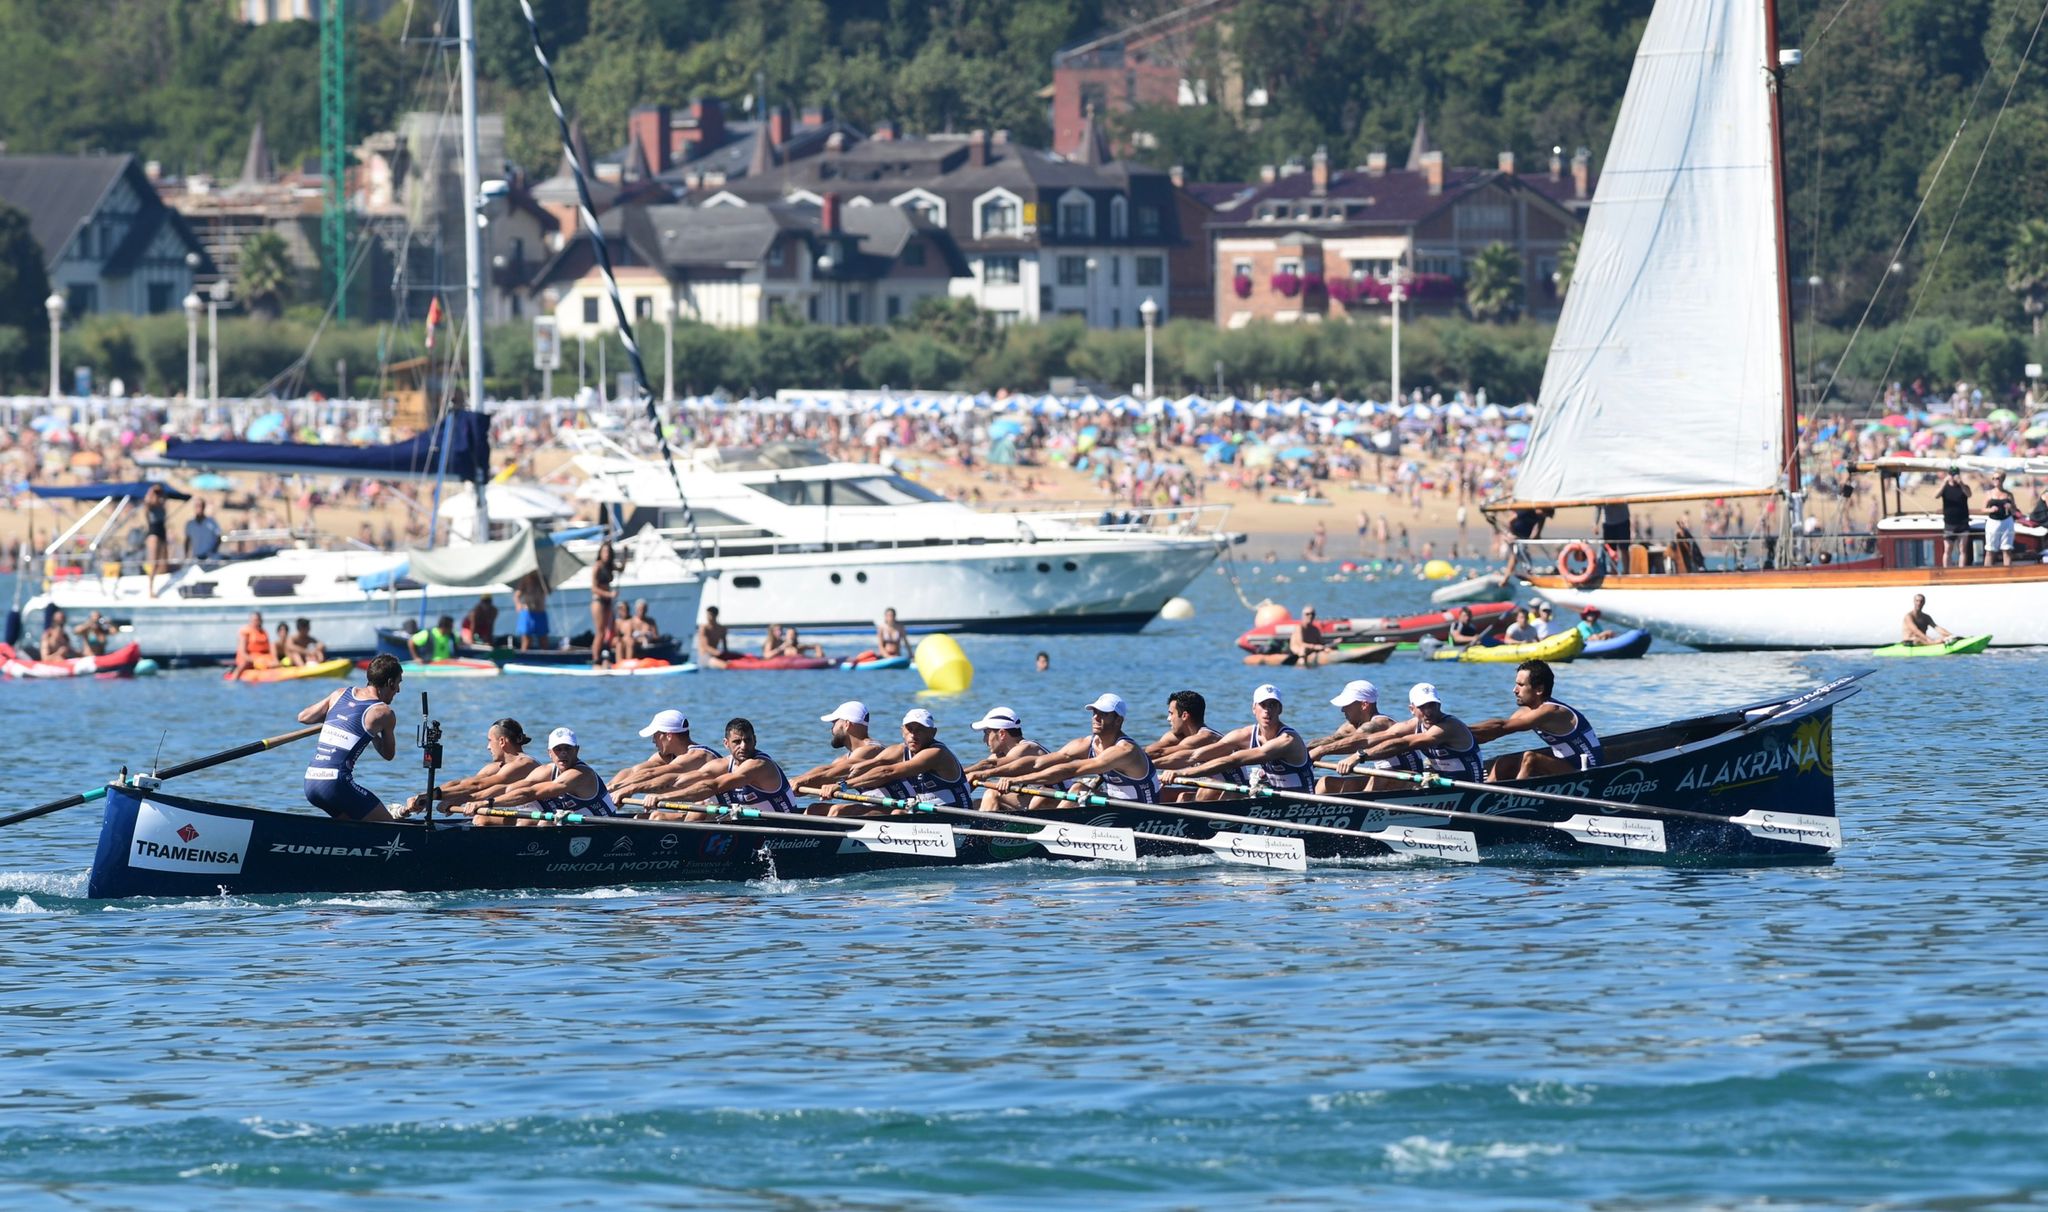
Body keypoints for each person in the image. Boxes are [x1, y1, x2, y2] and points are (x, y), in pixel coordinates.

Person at [980, 693, 1161, 804]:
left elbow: (1073, 769)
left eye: (1103, 714)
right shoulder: (1086, 743)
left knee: (1077, 789)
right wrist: (987, 773)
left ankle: (1058, 836)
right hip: (1114, 806)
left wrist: (1018, 780)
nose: (1096, 718)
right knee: (1045, 797)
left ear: (1119, 720)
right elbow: (1038, 762)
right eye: (1094, 712)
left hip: (1142, 813)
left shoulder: (1125, 750)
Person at [297, 654, 403, 821]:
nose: (398, 690)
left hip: (311, 781)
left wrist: (336, 716)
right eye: (398, 683)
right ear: (390, 683)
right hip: (335, 783)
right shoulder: (383, 713)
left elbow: (303, 717)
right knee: (389, 827)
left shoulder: (339, 694)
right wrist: (374, 735)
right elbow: (388, 755)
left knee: (353, 828)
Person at [1468, 659, 1606, 781]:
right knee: (1504, 762)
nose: (1514, 690)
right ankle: (1486, 795)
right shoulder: (1528, 712)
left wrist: (1462, 732)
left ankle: (1515, 796)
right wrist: (1457, 739)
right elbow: (1495, 732)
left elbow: (1502, 726)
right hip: (1563, 766)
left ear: (1539, 689)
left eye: (1521, 685)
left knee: (1530, 757)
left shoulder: (1551, 711)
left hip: (1589, 770)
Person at [643, 718, 800, 818]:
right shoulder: (723, 764)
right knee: (701, 805)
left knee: (708, 798)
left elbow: (714, 786)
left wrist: (664, 798)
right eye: (737, 742)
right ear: (726, 743)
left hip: (785, 830)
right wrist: (637, 790)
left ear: (755, 740)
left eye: (748, 740)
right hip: (754, 827)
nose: (743, 746)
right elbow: (679, 779)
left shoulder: (758, 765)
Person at [829, 708, 974, 816]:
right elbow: (876, 763)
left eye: (920, 730)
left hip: (957, 818)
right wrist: (854, 771)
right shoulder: (899, 750)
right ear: (902, 731)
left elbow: (888, 771)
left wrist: (843, 785)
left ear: (933, 732)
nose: (913, 735)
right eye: (909, 729)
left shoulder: (936, 753)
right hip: (926, 817)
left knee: (897, 814)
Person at [1175, 684, 1316, 794]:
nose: (1267, 710)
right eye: (1263, 705)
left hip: (1303, 805)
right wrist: (1155, 765)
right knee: (1229, 793)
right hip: (1276, 801)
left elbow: (1234, 760)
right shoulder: (1244, 735)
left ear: (1280, 709)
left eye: (1273, 705)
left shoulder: (1287, 740)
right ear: (1254, 708)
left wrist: (1183, 773)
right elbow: (1195, 755)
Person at [470, 727, 621, 822]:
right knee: (482, 818)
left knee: (537, 822)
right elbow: (509, 789)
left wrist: (488, 803)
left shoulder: (580, 774)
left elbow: (531, 793)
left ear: (577, 750)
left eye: (568, 748)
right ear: (549, 753)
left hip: (604, 831)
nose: (563, 753)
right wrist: (467, 799)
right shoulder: (546, 771)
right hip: (575, 826)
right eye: (558, 749)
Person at [407, 718, 539, 816]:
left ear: (502, 741)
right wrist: (425, 797)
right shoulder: (496, 767)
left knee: (481, 819)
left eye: (489, 741)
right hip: (519, 814)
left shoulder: (524, 763)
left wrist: (432, 796)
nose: (488, 747)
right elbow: (463, 783)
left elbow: (478, 786)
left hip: (539, 817)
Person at [1355, 683, 1485, 782]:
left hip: (1470, 789)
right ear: (1412, 709)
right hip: (1442, 787)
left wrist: (1360, 757)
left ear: (1439, 705)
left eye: (1432, 705)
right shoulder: (1413, 724)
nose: (1428, 712)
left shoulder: (1448, 726)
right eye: (1422, 707)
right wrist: (1337, 750)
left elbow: (1404, 743)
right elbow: (1374, 738)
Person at [1312, 679, 1422, 794]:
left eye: (1347, 705)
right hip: (1386, 777)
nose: (1342, 709)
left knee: (1377, 778)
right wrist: (1304, 751)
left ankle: (1356, 809)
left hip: (1410, 779)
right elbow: (1333, 740)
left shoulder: (1380, 723)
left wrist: (1321, 751)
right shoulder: (1353, 725)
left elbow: (1355, 742)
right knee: (1325, 783)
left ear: (1364, 705)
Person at [608, 709, 721, 800]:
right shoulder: (667, 755)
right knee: (641, 817)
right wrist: (609, 788)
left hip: (722, 808)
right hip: (694, 806)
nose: (653, 740)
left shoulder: (697, 756)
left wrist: (627, 789)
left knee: (657, 817)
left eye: (655, 735)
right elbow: (634, 771)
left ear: (669, 736)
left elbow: (650, 774)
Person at [791, 701, 886, 791]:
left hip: (891, 806)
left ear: (846, 724)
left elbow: (834, 773)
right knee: (816, 808)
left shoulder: (873, 750)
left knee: (836, 809)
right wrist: (796, 782)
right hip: (871, 806)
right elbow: (826, 770)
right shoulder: (844, 759)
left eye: (834, 723)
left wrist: (805, 781)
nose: (831, 729)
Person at [589, 539, 620, 665]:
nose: (606, 554)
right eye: (604, 552)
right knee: (600, 631)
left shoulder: (610, 566)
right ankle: (595, 658)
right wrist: (609, 594)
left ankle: (608, 654)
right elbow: (594, 588)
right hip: (599, 601)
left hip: (608, 602)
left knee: (611, 629)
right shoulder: (597, 566)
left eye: (608, 552)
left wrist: (624, 553)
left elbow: (621, 568)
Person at [1938, 467, 1972, 567]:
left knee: (1962, 549)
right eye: (1951, 474)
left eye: (1955, 474)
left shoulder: (1964, 487)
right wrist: (1944, 483)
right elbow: (1936, 495)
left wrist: (1961, 483)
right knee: (1948, 549)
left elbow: (1969, 494)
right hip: (1949, 523)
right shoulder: (1945, 487)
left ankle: (1961, 571)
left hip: (1963, 522)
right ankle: (1947, 570)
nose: (1953, 476)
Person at [1984, 477, 2018, 567]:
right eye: (1993, 478)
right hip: (1993, 522)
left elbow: (2015, 511)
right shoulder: (1989, 494)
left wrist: (2010, 507)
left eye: (1998, 478)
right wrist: (1990, 510)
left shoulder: (2008, 494)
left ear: (2002, 480)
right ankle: (1986, 573)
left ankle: (2007, 573)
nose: (1995, 480)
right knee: (1990, 549)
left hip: (2006, 521)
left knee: (2007, 549)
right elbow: (1983, 509)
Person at [142, 482, 168, 598]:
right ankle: (150, 588)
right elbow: (147, 502)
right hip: (154, 532)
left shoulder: (161, 503)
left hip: (162, 531)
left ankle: (161, 580)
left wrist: (161, 492)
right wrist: (151, 491)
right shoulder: (150, 504)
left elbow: (164, 500)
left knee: (163, 560)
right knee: (153, 561)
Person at [512, 572, 550, 653]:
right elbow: (517, 595)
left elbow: (548, 591)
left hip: (540, 612)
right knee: (527, 639)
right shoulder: (525, 580)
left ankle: (546, 657)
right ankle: (524, 657)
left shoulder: (543, 579)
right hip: (528, 612)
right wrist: (518, 605)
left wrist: (543, 583)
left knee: (543, 639)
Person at [233, 610, 278, 675]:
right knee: (245, 663)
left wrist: (273, 660)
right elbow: (242, 652)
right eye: (255, 620)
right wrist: (254, 661)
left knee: (273, 654)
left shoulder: (263, 632)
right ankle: (235, 676)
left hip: (261, 657)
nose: (257, 622)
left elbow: (269, 648)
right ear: (250, 621)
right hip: (248, 658)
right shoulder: (245, 632)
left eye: (258, 620)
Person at [183, 498, 222, 564]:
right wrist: (186, 556)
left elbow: (219, 538)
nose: (199, 508)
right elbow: (187, 540)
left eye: (200, 506)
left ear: (204, 507)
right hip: (196, 559)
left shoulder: (211, 522)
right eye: (197, 506)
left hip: (210, 559)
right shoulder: (190, 524)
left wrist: (212, 552)